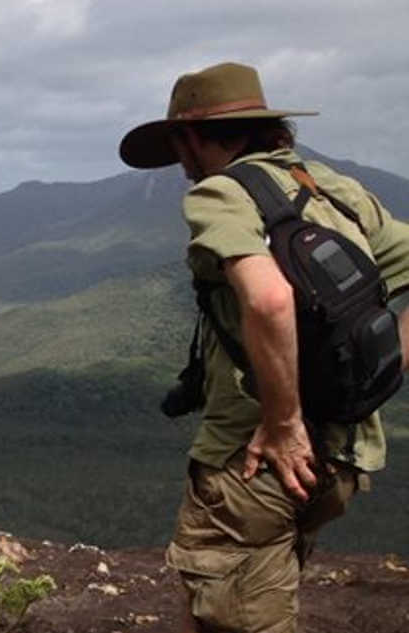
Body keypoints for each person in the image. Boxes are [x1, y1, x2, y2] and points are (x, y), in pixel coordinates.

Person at [119, 62, 409, 632]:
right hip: (343, 457)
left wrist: (283, 423)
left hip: (255, 464)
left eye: (180, 143)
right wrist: (380, 377)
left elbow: (269, 299)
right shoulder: (329, 188)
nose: (180, 163)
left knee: (231, 612)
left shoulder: (220, 193)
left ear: (193, 138)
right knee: (243, 604)